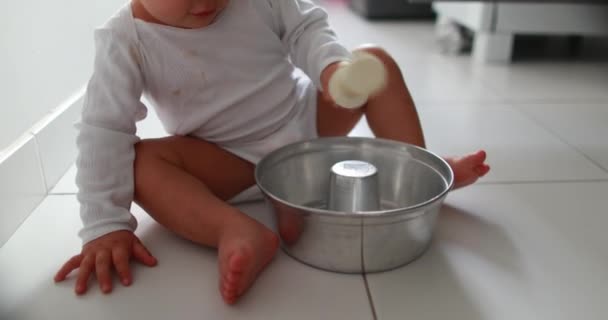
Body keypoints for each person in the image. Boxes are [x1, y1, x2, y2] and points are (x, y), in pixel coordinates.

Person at [54, 0, 490, 305]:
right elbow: (103, 131)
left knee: (377, 62)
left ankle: (418, 173)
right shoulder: (124, 39)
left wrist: (333, 69)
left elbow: (307, 29)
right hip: (228, 160)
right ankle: (236, 230)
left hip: (307, 125)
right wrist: (104, 224)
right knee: (142, 162)